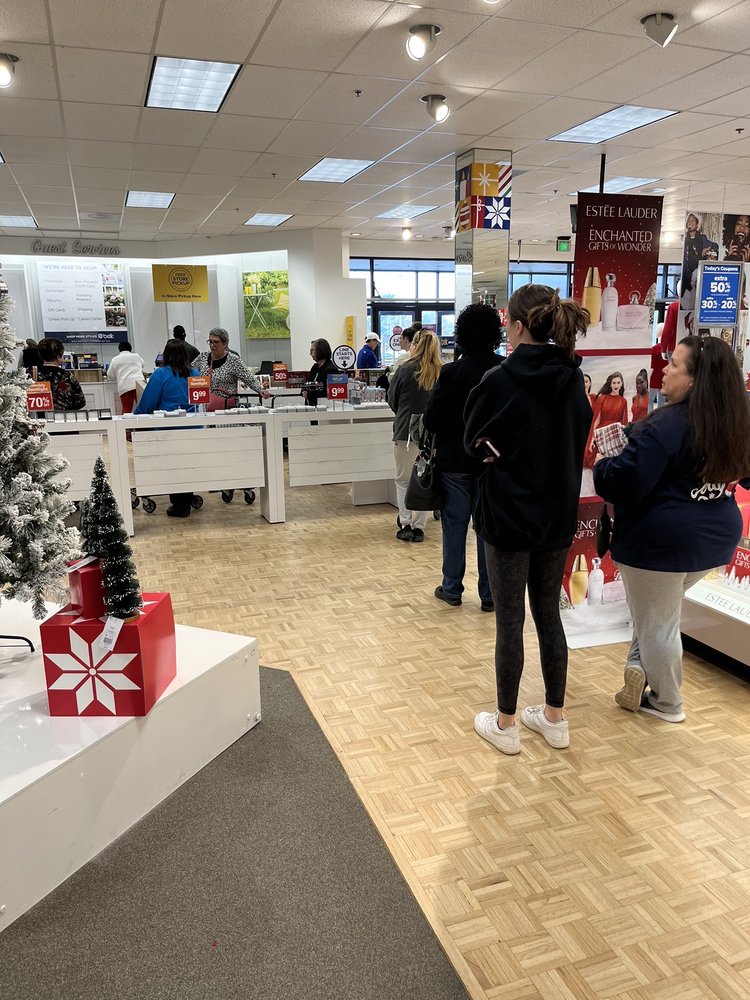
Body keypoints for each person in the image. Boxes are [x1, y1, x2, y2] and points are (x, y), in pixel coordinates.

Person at [594, 336, 750, 724]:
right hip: (714, 541)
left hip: (659, 545)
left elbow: (623, 484)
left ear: (695, 379)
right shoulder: (736, 420)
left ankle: (667, 702)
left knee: (657, 626)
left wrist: (603, 462)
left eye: (675, 365)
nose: (664, 370)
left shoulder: (663, 426)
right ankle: (638, 667)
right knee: (657, 615)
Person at [464, 285, 592, 756]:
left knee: (510, 622)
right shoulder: (572, 378)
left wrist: (501, 457)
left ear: (517, 326)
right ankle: (555, 718)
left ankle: (506, 724)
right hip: (556, 514)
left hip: (507, 516)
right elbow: (580, 432)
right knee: (548, 614)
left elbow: (472, 440)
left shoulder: (499, 380)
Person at [424, 303, 501, 611]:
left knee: (454, 526)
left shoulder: (451, 372)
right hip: (491, 463)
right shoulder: (504, 370)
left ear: (461, 334)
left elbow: (432, 420)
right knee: (486, 529)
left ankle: (452, 588)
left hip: (454, 462)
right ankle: (489, 594)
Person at [134, 339, 199, 518]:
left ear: (166, 355)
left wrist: (135, 417)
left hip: (168, 428)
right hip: (193, 428)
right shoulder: (195, 373)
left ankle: (179, 505)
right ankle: (188, 497)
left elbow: (149, 402)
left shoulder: (160, 374)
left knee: (173, 466)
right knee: (187, 465)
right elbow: (201, 402)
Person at [387, 331, 442, 542]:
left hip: (405, 433)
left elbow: (392, 399)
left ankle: (406, 524)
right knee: (425, 479)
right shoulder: (441, 371)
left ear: (416, 345)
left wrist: (403, 413)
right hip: (431, 435)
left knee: (403, 480)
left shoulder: (405, 368)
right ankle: (420, 527)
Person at [195, 327, 270, 407]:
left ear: (225, 343)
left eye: (216, 342)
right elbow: (190, 372)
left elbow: (248, 378)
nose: (212, 345)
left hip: (227, 407)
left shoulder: (233, 360)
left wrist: (261, 389)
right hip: (206, 408)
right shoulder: (203, 357)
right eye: (210, 342)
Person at [584, 371, 628, 468]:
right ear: (610, 384)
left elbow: (623, 422)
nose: (616, 385)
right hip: (601, 433)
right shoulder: (602, 398)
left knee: (612, 465)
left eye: (618, 382)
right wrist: (592, 438)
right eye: (614, 383)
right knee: (598, 463)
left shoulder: (623, 401)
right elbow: (596, 420)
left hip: (614, 435)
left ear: (621, 384)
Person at [36, 338, 86, 411]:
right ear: (58, 357)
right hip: (63, 415)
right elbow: (80, 402)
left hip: (39, 414)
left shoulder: (32, 373)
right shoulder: (66, 376)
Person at [106, 341, 145, 413]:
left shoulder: (115, 359)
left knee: (126, 409)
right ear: (130, 348)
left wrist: (117, 376)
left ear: (119, 349)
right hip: (139, 384)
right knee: (142, 407)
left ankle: (125, 421)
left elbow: (110, 375)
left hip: (125, 385)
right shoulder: (136, 356)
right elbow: (142, 364)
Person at [304, 338, 338, 406]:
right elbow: (308, 385)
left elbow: (331, 392)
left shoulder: (331, 370)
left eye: (312, 350)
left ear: (320, 350)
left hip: (324, 407)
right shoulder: (314, 368)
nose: (310, 353)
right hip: (312, 406)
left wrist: (310, 393)